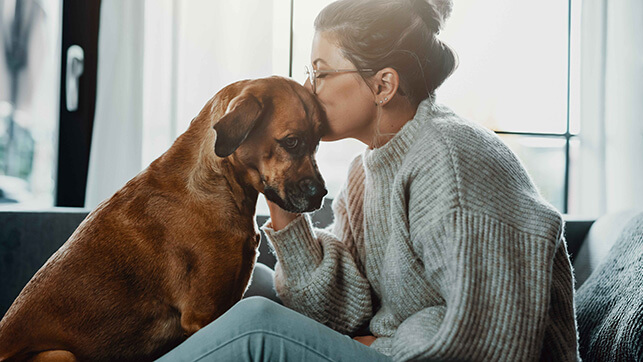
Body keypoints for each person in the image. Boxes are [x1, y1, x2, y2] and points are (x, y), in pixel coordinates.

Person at [158, 0, 580, 360]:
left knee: (256, 325)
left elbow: (491, 335)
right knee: (254, 288)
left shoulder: (453, 160)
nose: (307, 89)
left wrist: (380, 346)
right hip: (393, 346)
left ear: (383, 85)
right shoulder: (368, 169)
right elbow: (341, 308)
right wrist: (277, 181)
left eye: (321, 73)